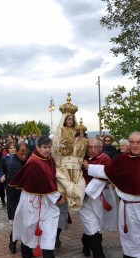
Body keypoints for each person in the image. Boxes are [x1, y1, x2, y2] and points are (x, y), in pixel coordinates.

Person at [9, 136, 65, 258]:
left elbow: (51, 179)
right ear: (38, 148)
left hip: (47, 204)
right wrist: (58, 197)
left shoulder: (50, 160)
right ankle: (26, 256)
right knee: (29, 230)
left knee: (49, 237)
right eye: (45, 147)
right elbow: (42, 182)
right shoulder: (33, 162)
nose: (47, 150)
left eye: (49, 147)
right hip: (32, 202)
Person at [51, 93, 87, 247]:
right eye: (68, 118)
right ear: (64, 119)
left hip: (76, 169)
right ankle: (54, 234)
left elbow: (81, 152)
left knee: (80, 193)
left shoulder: (79, 134)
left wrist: (80, 141)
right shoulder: (59, 133)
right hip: (63, 168)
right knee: (60, 203)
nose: (70, 121)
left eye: (72, 118)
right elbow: (55, 151)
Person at [80, 138, 117, 258]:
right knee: (92, 228)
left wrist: (88, 167)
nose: (93, 150)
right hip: (86, 199)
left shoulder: (105, 158)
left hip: (102, 199)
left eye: (96, 147)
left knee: (97, 228)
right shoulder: (81, 157)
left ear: (101, 147)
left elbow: (110, 174)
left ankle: (85, 242)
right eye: (90, 147)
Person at [6, 142, 29, 253]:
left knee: (27, 222)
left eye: (26, 154)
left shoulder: (27, 158)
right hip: (15, 196)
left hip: (25, 194)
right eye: (21, 154)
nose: (24, 156)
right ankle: (13, 242)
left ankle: (26, 245)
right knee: (18, 222)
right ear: (17, 152)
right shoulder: (14, 164)